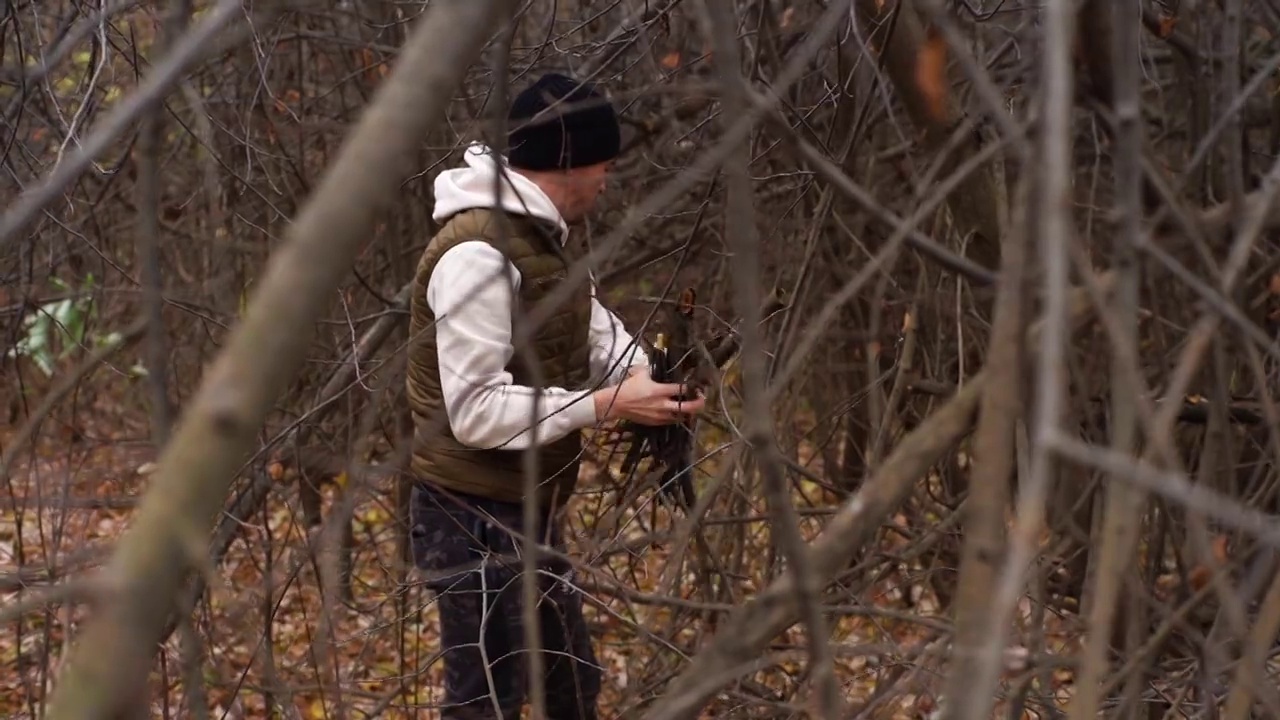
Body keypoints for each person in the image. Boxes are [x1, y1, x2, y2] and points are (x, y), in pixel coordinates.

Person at [404, 72, 705, 720]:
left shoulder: (544, 240)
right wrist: (607, 406)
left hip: (526, 505)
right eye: (605, 163)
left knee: (571, 685)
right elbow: (476, 414)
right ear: (568, 162)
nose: (607, 179)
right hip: (468, 518)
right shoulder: (477, 256)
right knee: (487, 700)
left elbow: (593, 330)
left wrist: (643, 378)